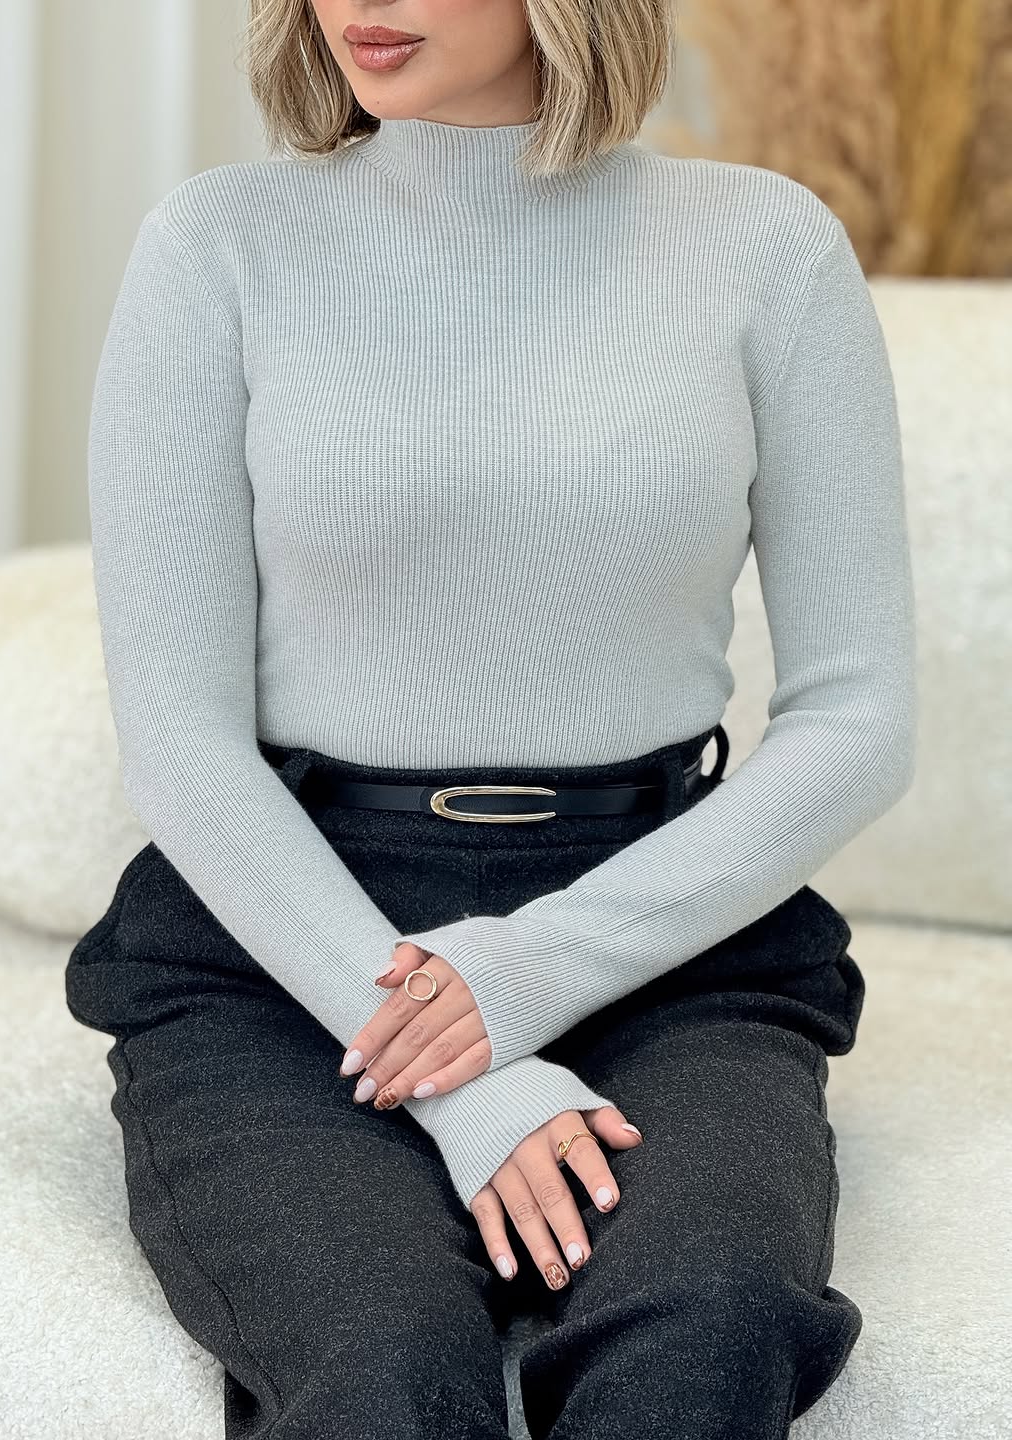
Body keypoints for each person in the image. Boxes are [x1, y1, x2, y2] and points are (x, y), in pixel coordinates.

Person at [65, 1, 917, 1436]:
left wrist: (522, 978)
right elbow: (178, 737)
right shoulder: (217, 244)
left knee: (706, 1327)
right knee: (384, 1363)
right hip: (292, 944)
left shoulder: (766, 245)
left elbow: (859, 715)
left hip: (666, 937)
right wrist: (462, 1080)